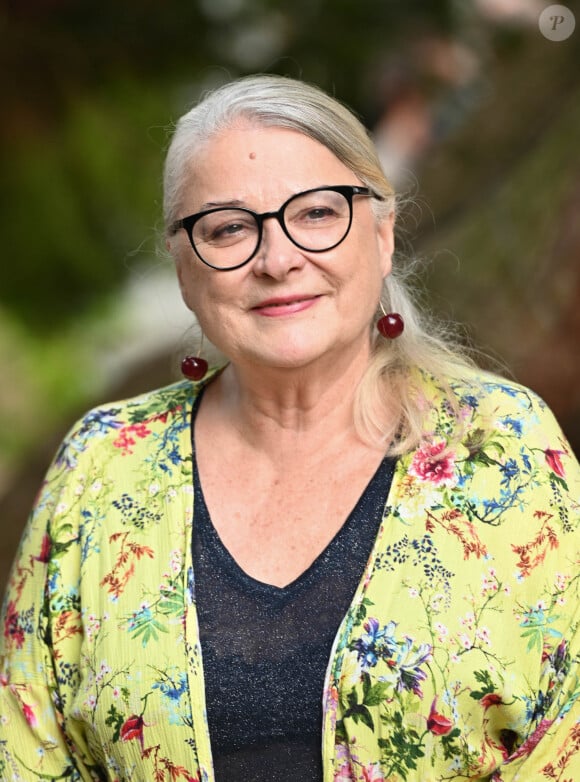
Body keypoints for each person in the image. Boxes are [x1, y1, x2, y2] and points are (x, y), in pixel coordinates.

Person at [1, 74, 579, 782]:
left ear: (382, 233)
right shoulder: (101, 463)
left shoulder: (504, 447)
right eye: (229, 228)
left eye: (314, 214)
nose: (277, 261)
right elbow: (27, 747)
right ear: (185, 269)